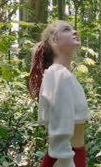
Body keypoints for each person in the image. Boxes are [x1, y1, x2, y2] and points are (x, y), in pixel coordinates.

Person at [28, 20, 91, 167]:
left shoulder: (64, 75)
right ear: (54, 41)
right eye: (66, 29)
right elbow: (60, 127)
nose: (75, 32)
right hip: (65, 157)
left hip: (73, 155)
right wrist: (68, 161)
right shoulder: (58, 74)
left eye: (73, 29)